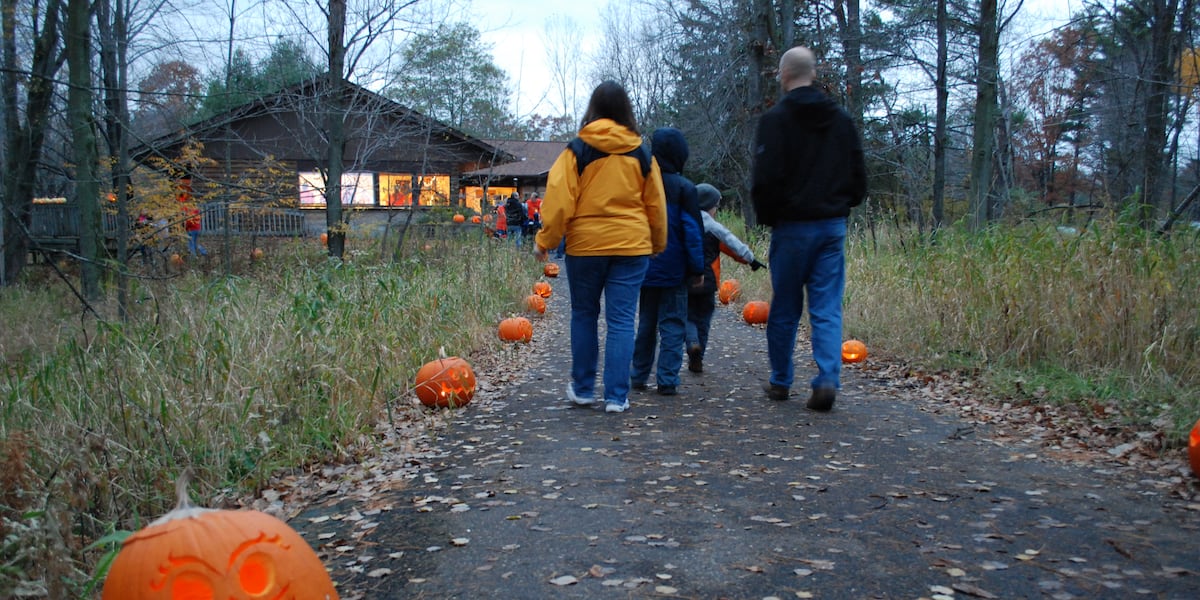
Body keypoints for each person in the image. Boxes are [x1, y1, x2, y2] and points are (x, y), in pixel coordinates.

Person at [534, 81, 667, 414]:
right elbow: (657, 205)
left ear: (592, 109)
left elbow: (559, 201)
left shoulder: (577, 150)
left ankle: (582, 389)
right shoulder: (641, 152)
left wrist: (545, 241)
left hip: (586, 246)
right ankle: (617, 397)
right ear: (626, 111)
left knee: (584, 314)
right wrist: (656, 243)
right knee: (622, 321)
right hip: (632, 246)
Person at [751, 46, 866, 411]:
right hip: (831, 226)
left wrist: (770, 216)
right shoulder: (842, 121)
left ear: (784, 75)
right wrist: (843, 204)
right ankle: (827, 379)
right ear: (812, 74)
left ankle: (781, 381)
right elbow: (859, 176)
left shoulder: (774, 121)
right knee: (827, 308)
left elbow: (763, 180)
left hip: (792, 227)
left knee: (784, 307)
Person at [629, 127, 706, 396]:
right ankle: (667, 379)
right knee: (672, 323)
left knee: (646, 323)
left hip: (644, 266)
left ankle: (638, 375)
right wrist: (698, 268)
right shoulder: (684, 189)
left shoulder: (641, 184)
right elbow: (693, 233)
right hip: (675, 271)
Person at [686, 183, 765, 374]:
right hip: (708, 281)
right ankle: (699, 355)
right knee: (703, 319)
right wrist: (751, 260)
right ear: (710, 206)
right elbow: (732, 244)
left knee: (686, 317)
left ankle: (692, 343)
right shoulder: (714, 227)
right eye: (716, 206)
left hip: (685, 280)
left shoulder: (685, 224)